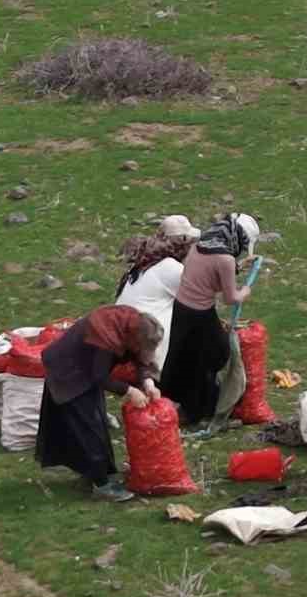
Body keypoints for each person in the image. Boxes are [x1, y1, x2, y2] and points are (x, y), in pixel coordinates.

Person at [36, 305, 164, 502]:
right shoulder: (105, 336)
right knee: (89, 427)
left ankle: (103, 472)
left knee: (98, 422)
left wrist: (147, 382)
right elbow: (99, 377)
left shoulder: (132, 327)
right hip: (69, 371)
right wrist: (129, 391)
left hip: (87, 369)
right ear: (135, 339)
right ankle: (101, 484)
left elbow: (140, 357)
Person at [161, 212, 261, 426]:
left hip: (181, 308)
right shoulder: (225, 258)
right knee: (215, 355)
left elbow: (209, 278)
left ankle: (175, 401)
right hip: (200, 313)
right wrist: (246, 290)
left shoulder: (201, 245)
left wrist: (238, 267)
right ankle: (199, 408)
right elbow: (230, 298)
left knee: (182, 356)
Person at [114, 216, 201, 372]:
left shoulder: (144, 262)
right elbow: (198, 297)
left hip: (121, 334)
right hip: (146, 342)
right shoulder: (170, 268)